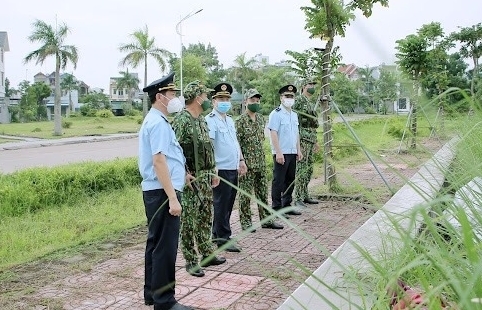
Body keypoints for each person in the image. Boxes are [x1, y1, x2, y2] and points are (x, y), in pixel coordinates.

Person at [138, 72, 193, 310]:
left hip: (157, 190)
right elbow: (159, 161)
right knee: (165, 248)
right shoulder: (157, 123)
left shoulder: (157, 121)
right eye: (172, 94)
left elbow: (168, 158)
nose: (175, 99)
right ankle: (165, 301)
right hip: (162, 193)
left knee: (155, 243)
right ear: (160, 97)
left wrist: (183, 174)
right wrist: (172, 197)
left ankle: (152, 294)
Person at [171, 81, 226, 278]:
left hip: (205, 176)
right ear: (196, 97)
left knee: (205, 217)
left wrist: (213, 170)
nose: (207, 99)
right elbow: (173, 151)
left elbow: (208, 149)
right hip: (190, 179)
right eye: (204, 95)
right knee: (189, 221)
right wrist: (183, 173)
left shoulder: (202, 120)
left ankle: (206, 253)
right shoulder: (181, 120)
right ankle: (191, 260)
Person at [205, 82, 248, 252]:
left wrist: (241, 160)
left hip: (233, 166)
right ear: (214, 101)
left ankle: (218, 232)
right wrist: (213, 167)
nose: (224, 101)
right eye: (220, 98)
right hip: (220, 168)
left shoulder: (230, 120)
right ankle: (223, 238)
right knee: (221, 203)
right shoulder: (210, 120)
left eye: (227, 99)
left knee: (229, 202)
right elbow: (210, 146)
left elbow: (234, 142)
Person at [236, 88, 284, 231]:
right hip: (247, 164)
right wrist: (241, 161)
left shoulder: (261, 119)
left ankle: (266, 220)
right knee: (245, 195)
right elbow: (236, 143)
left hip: (261, 162)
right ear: (245, 102)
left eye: (257, 101)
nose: (255, 103)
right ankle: (246, 223)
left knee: (263, 193)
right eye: (252, 100)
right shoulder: (240, 121)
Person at [268, 84, 303, 217]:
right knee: (279, 180)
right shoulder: (276, 114)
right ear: (281, 98)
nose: (289, 98)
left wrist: (298, 150)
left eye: (291, 96)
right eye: (287, 96)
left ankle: (286, 205)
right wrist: (278, 152)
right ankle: (276, 207)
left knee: (290, 179)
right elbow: (273, 133)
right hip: (281, 152)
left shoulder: (294, 114)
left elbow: (296, 133)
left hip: (292, 151)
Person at [293, 79, 321, 208]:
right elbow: (295, 121)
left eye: (313, 85)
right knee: (301, 169)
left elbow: (312, 125)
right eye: (310, 85)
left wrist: (315, 141)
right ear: (303, 86)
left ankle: (305, 194)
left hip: (310, 139)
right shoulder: (299, 101)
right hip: (302, 140)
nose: (312, 87)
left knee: (309, 168)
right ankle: (297, 197)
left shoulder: (309, 103)